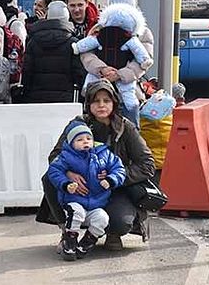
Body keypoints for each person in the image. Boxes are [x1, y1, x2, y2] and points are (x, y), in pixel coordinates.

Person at [39, 79, 155, 251]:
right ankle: (67, 232)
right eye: (96, 101)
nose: (101, 105)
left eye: (106, 101)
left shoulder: (125, 127)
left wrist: (114, 177)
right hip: (79, 188)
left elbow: (147, 164)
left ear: (114, 103)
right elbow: (55, 156)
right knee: (49, 178)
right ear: (88, 104)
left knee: (121, 222)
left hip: (113, 189)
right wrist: (69, 174)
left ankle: (112, 233)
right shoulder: (77, 125)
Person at [48, 120, 126, 260]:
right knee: (76, 213)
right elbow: (54, 171)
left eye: (88, 138)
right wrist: (66, 184)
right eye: (80, 139)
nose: (85, 142)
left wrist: (111, 179)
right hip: (74, 199)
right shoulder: (65, 156)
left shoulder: (104, 153)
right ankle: (69, 241)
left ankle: (87, 243)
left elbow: (119, 168)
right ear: (71, 142)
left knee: (102, 219)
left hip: (97, 202)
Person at [80, 0, 155, 127]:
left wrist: (120, 74)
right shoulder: (98, 28)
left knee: (130, 127)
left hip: (128, 88)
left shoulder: (143, 32)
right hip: (99, 87)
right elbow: (86, 54)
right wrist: (102, 69)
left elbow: (144, 61)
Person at [22, 1, 85, 103]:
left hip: (36, 98)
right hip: (65, 99)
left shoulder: (33, 41)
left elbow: (27, 71)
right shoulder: (73, 43)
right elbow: (78, 73)